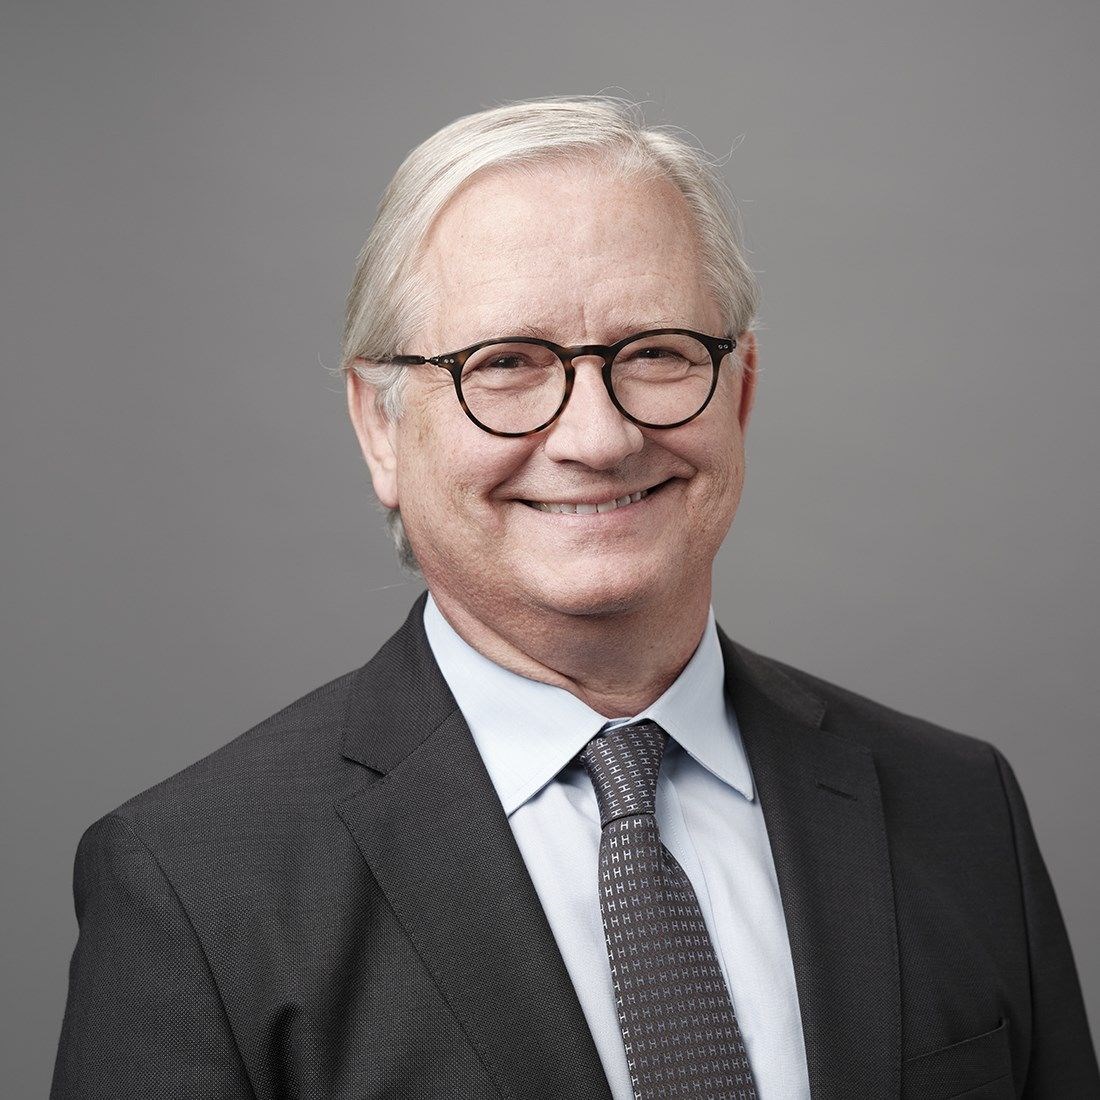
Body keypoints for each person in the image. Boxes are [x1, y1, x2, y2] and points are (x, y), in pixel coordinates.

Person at [51, 97, 1097, 1100]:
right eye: (505, 362)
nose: (598, 437)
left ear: (739, 389)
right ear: (380, 425)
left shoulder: (959, 808)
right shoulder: (194, 886)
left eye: (654, 352)